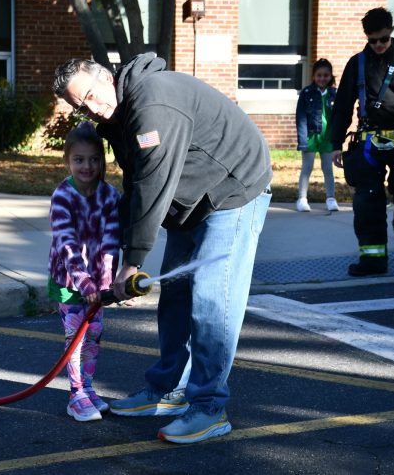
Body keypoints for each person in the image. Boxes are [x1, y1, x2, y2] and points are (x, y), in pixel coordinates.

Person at [52, 53, 272, 444]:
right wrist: (116, 253)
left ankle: (208, 407)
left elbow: (153, 183)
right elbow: (136, 188)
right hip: (192, 201)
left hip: (234, 189)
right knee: (175, 296)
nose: (89, 107)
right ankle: (168, 390)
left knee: (211, 299)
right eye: (78, 105)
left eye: (88, 94)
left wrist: (132, 261)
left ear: (106, 77)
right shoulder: (118, 118)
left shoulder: (152, 103)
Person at [329, 7, 394, 277]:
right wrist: (335, 143)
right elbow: (342, 106)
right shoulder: (358, 63)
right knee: (367, 203)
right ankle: (373, 260)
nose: (377, 45)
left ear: (392, 33)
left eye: (383, 39)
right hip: (368, 144)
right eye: (372, 40)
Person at [48, 122, 120, 422]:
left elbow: (111, 240)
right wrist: (85, 282)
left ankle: (88, 387)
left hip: (96, 286)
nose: (87, 166)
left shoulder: (109, 196)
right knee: (75, 337)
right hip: (69, 281)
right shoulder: (63, 196)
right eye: (79, 160)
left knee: (94, 336)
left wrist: (105, 283)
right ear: (68, 161)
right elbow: (68, 245)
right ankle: (75, 394)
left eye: (93, 159)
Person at [295, 58, 338, 213]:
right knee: (307, 168)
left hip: (328, 139)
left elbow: (339, 117)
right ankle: (302, 198)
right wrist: (302, 139)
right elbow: (300, 118)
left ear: (330, 76)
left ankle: (331, 198)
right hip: (311, 137)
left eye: (326, 75)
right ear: (313, 76)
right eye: (319, 75)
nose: (322, 78)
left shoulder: (334, 94)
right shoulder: (306, 93)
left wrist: (338, 139)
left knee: (328, 169)